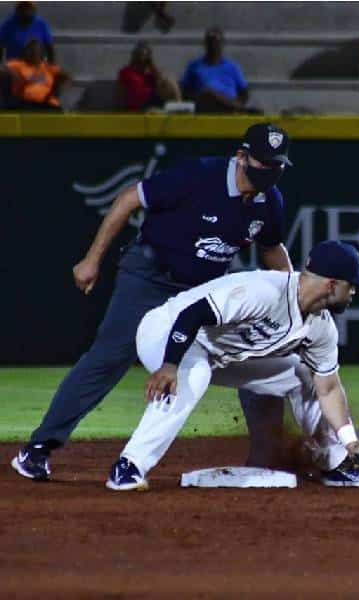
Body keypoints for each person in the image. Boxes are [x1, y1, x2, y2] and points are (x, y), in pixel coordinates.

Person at [11, 122, 295, 482]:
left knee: (250, 350)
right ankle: (38, 447)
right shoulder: (199, 176)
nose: (272, 172)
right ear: (242, 157)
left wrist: (292, 296)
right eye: (265, 163)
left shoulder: (269, 203)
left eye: (279, 165)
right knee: (111, 356)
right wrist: (92, 259)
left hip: (202, 288)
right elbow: (130, 198)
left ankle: (266, 454)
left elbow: (271, 248)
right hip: (150, 275)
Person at [106, 240, 359, 491]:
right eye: (352, 285)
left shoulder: (321, 328)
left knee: (301, 374)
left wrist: (351, 443)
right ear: (332, 284)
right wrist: (170, 365)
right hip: (166, 332)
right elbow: (192, 315)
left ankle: (337, 463)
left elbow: (329, 388)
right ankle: (128, 466)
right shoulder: (264, 291)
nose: (354, 292)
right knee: (194, 374)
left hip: (219, 354)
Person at [181, 27, 254, 113]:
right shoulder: (194, 66)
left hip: (230, 103)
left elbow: (244, 92)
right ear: (205, 44)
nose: (213, 46)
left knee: (212, 94)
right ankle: (241, 109)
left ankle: (233, 107)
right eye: (210, 42)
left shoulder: (232, 67)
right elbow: (184, 90)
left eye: (216, 42)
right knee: (208, 94)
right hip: (205, 106)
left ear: (222, 44)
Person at [1, 37, 68, 110]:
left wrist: (57, 89)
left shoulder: (48, 67)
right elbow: (3, 68)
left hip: (48, 102)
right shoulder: (18, 65)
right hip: (26, 103)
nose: (32, 52)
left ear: (41, 53)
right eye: (29, 49)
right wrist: (14, 75)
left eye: (35, 50)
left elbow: (66, 77)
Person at [117, 41, 180, 111]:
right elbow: (120, 94)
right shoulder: (126, 72)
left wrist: (153, 67)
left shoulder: (152, 71)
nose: (141, 59)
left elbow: (163, 84)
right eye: (138, 55)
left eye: (145, 56)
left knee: (169, 79)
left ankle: (179, 108)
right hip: (136, 106)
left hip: (152, 101)